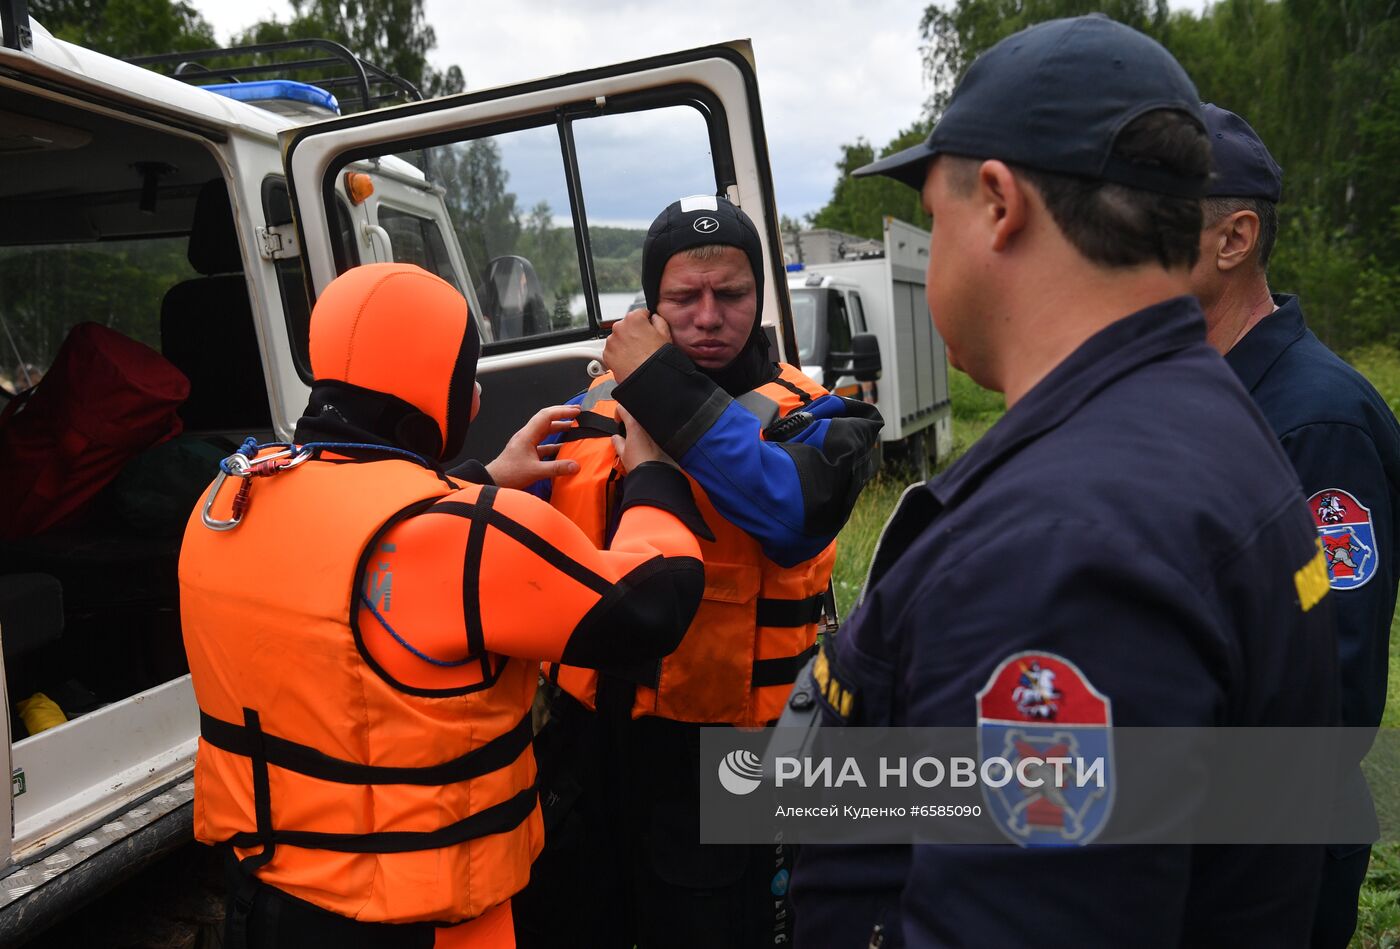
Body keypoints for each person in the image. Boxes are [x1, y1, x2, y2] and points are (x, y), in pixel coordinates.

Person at [788, 15, 1340, 947]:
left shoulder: (1056, 547)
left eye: (936, 215)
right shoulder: (1203, 414)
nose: (936, 247)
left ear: (1000, 203)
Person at [179, 262, 707, 948]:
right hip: (418, 921)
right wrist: (654, 468)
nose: (478, 400)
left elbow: (353, 541)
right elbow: (650, 601)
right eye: (467, 380)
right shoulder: (468, 535)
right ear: (435, 392)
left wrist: (480, 477)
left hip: (264, 901)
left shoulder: (230, 497)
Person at [514, 195, 883, 948]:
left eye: (732, 294)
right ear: (652, 302)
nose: (708, 316)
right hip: (589, 747)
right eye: (684, 297)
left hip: (734, 759)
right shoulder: (584, 410)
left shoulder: (825, 419)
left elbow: (785, 514)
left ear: (760, 296)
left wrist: (654, 382)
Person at [1188, 103, 1400, 949]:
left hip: (1273, 854)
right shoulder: (1206, 397)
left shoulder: (1316, 422)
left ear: (1234, 238)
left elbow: (1332, 680)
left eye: (1150, 218)